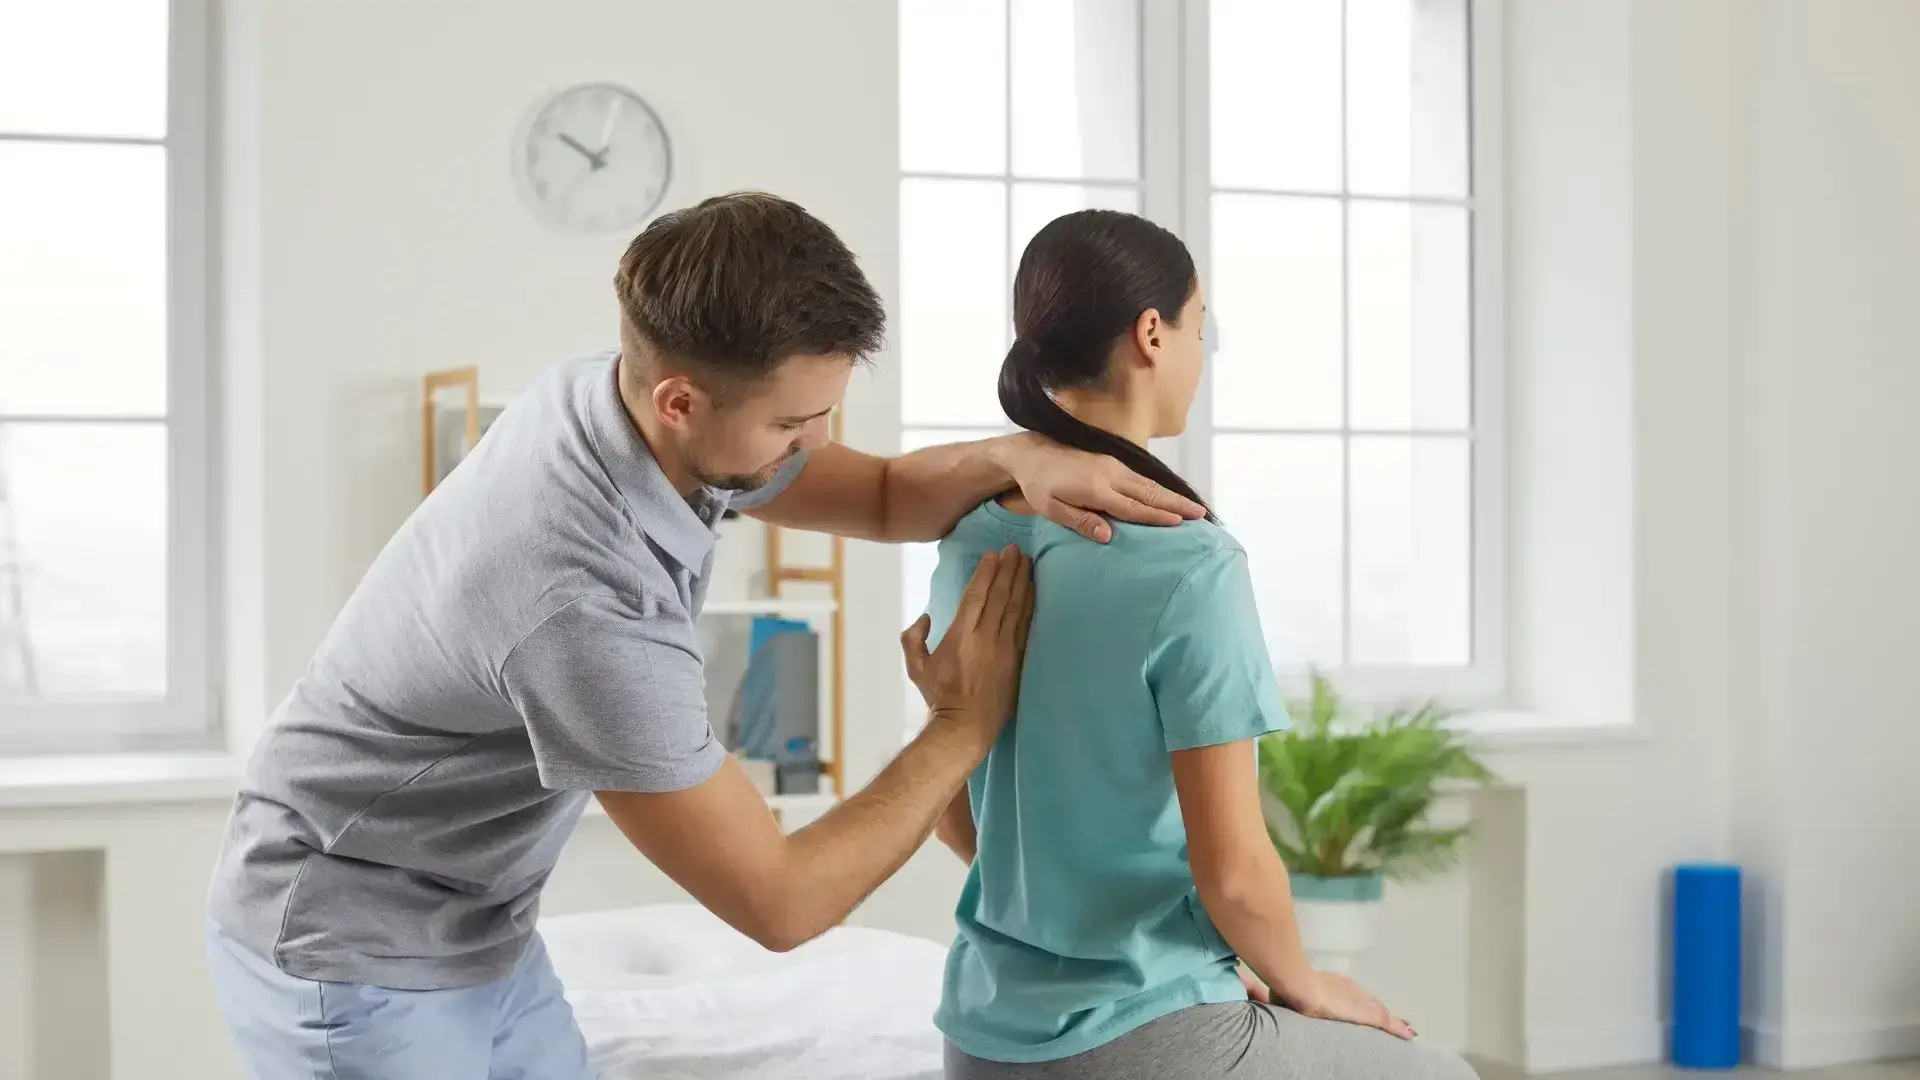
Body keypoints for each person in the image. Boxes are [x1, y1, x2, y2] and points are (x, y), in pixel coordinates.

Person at [203, 191, 1209, 1080]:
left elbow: (883, 495)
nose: (815, 443)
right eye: (791, 423)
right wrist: (961, 725)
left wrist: (1020, 457)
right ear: (680, 401)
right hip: (356, 940)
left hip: (479, 923)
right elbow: (781, 904)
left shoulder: (615, 398)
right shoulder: (580, 605)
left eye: (827, 410)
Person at [922, 209, 1480, 1080]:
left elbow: (950, 811)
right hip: (1138, 1042)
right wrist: (1305, 985)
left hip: (978, 1038)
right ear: (1151, 333)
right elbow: (1235, 873)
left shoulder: (969, 540)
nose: (1201, 355)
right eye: (1199, 329)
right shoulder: (1190, 562)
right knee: (1444, 1073)